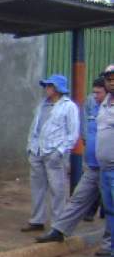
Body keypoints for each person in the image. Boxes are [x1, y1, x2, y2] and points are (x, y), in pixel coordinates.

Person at [37, 77, 109, 245]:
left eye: (98, 92)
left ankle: (108, 247)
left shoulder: (109, 110)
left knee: (110, 208)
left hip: (108, 167)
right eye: (94, 92)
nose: (94, 95)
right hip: (92, 166)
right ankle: (59, 230)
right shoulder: (93, 106)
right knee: (77, 199)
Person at [22, 75, 80, 233]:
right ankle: (37, 220)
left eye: (49, 86)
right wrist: (30, 147)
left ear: (57, 89)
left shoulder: (69, 107)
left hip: (54, 153)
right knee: (37, 188)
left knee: (57, 189)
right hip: (37, 151)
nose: (46, 89)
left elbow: (73, 133)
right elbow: (35, 127)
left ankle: (58, 224)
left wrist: (60, 151)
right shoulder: (43, 105)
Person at [95, 65, 114, 257]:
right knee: (110, 212)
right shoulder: (105, 103)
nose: (111, 82)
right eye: (108, 78)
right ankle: (111, 251)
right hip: (105, 169)